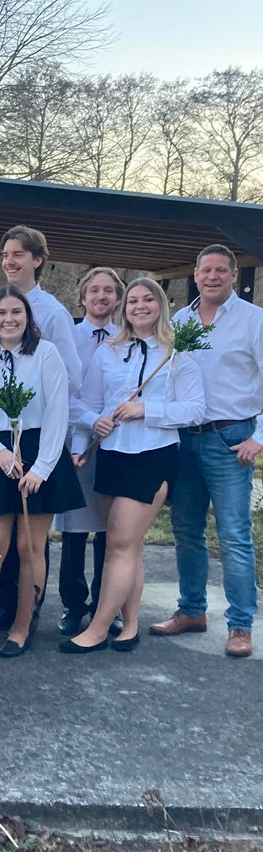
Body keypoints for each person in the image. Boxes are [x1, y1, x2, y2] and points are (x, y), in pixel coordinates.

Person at [63, 278, 205, 653]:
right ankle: (129, 625)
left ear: (160, 305)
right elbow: (81, 403)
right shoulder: (108, 353)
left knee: (119, 545)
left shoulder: (178, 352)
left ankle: (97, 628)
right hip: (112, 455)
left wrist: (147, 410)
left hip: (153, 456)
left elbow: (195, 409)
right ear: (124, 309)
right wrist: (94, 424)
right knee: (131, 547)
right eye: (133, 301)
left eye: (148, 300)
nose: (140, 306)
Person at [150, 245, 262, 658]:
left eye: (221, 270)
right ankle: (192, 610)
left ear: (234, 275)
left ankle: (240, 625)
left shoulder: (254, 321)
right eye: (205, 270)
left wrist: (258, 438)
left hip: (230, 439)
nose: (212, 276)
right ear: (195, 275)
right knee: (185, 529)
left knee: (234, 536)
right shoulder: (179, 321)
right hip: (185, 438)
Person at [0, 286, 84, 661]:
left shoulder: (45, 354)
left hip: (40, 455)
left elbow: (57, 412)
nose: (9, 319)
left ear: (28, 318)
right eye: (1, 313)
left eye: (16, 312)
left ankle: (21, 627)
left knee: (29, 547)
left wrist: (42, 468)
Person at [0, 225, 82, 633]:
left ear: (37, 260)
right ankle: (5, 605)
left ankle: (27, 612)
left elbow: (71, 378)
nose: (10, 261)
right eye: (6, 254)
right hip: (3, 437)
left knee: (30, 541)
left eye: (19, 255)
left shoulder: (53, 313)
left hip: (40, 431)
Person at [56, 267, 124, 637]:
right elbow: (66, 393)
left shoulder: (126, 340)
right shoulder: (69, 339)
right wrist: (89, 422)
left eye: (109, 291)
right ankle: (72, 603)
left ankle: (104, 604)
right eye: (94, 290)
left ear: (117, 299)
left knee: (110, 531)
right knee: (74, 530)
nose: (101, 297)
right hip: (75, 444)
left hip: (116, 444)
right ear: (82, 297)